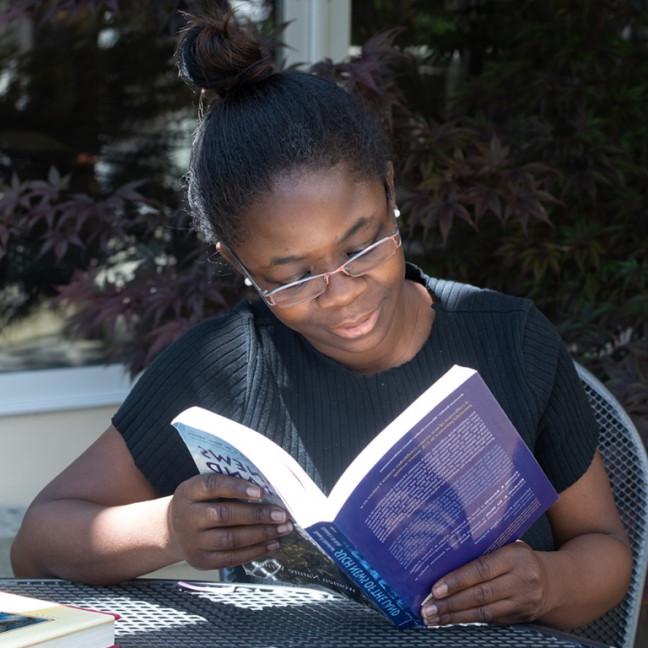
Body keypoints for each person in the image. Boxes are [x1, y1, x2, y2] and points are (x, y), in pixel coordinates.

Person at [11, 10, 631, 631]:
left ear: (389, 193)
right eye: (293, 275)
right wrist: (167, 528)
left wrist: (546, 584)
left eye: (361, 246)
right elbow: (37, 542)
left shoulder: (509, 340)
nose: (339, 295)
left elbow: (605, 553)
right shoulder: (226, 370)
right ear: (240, 263)